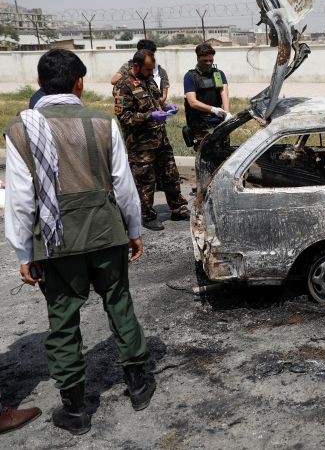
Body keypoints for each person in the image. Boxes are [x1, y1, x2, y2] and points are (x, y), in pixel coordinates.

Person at [4, 49, 155, 435]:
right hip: (106, 233)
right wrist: (134, 231)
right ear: (79, 83)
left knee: (63, 320)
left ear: (39, 84)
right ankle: (138, 386)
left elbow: (20, 201)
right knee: (119, 303)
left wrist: (24, 252)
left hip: (57, 242)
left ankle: (75, 410)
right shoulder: (103, 122)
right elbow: (124, 186)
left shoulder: (21, 129)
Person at [115, 49, 189, 231]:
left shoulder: (149, 81)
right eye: (147, 69)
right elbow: (124, 117)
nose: (150, 73)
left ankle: (178, 208)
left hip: (160, 139)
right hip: (141, 144)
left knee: (171, 174)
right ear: (136, 66)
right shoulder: (123, 86)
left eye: (151, 69)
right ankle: (147, 215)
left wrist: (167, 106)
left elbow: (157, 102)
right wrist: (150, 116)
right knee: (145, 181)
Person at [183, 43, 231, 149]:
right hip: (200, 123)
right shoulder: (190, 77)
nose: (209, 63)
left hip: (218, 122)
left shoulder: (218, 74)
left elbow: (224, 93)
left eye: (211, 60)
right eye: (205, 61)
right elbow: (192, 102)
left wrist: (226, 113)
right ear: (198, 58)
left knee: (224, 151)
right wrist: (213, 110)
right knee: (205, 155)